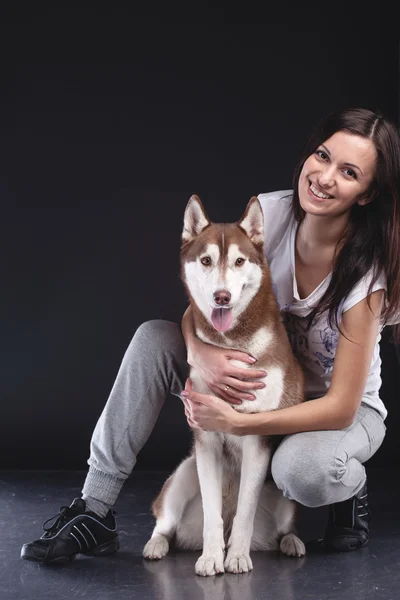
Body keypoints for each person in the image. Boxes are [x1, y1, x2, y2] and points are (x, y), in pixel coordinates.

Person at [21, 108, 400, 564]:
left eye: (349, 172)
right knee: (152, 339)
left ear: (366, 193)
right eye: (323, 156)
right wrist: (200, 354)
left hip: (334, 411)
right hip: (251, 378)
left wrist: (237, 424)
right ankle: (95, 509)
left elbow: (340, 407)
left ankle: (347, 489)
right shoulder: (270, 215)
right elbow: (201, 306)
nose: (323, 177)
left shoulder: (365, 272)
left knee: (303, 471)